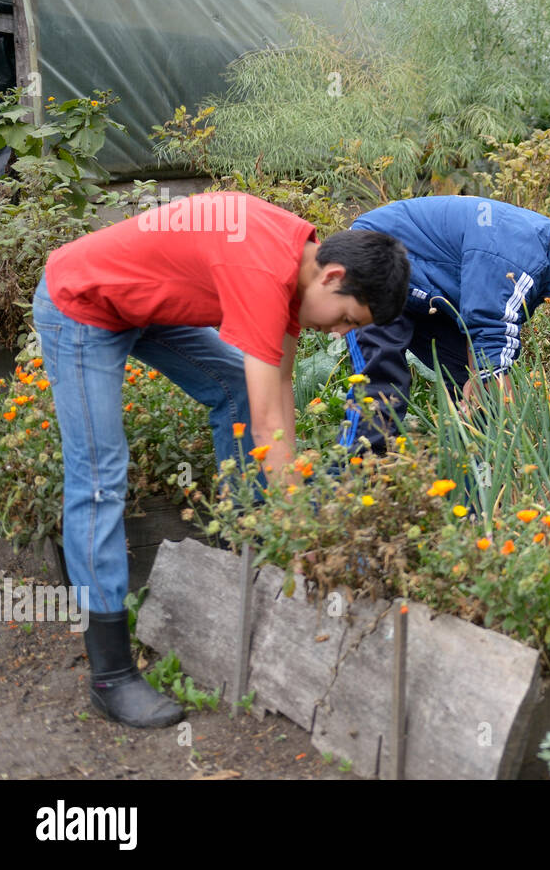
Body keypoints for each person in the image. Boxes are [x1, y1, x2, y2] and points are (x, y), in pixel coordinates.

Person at [32, 189, 409, 728]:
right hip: (82, 303)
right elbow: (267, 424)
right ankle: (110, 674)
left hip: (145, 305)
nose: (342, 332)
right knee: (99, 475)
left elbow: (278, 393)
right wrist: (302, 535)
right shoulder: (262, 267)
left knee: (232, 382)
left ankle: (245, 544)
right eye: (347, 317)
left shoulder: (300, 261)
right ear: (333, 276)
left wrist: (288, 517)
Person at [348, 195, 550, 451]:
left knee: (470, 380)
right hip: (373, 261)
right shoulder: (521, 258)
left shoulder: (541, 258)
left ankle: (467, 469)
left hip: (424, 287)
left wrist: (485, 378)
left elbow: (484, 328)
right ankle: (360, 475)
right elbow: (490, 323)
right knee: (382, 377)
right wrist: (500, 392)